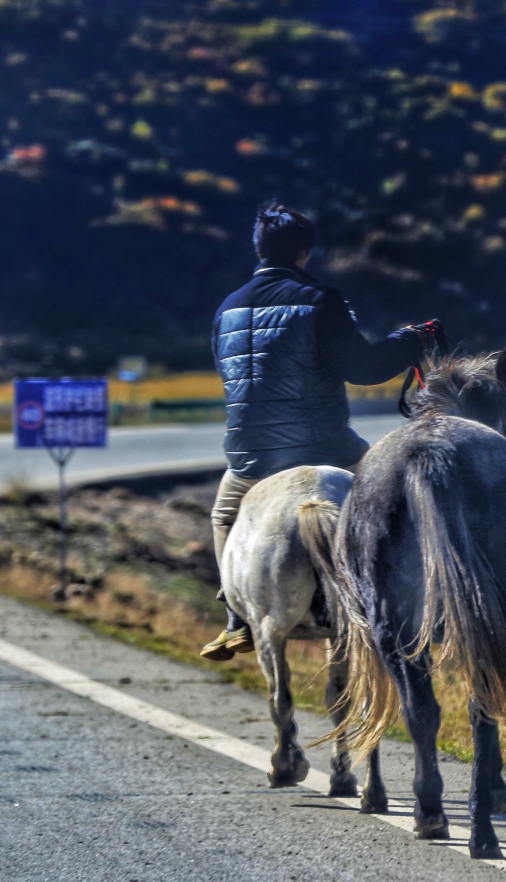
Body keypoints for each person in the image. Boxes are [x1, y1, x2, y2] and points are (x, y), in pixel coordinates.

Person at [200, 202, 436, 661]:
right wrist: (411, 340)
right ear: (305, 252)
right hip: (325, 449)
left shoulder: (225, 310)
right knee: (395, 499)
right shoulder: (320, 300)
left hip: (251, 456)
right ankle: (408, 604)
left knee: (224, 515)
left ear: (259, 248)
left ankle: (235, 618)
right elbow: (364, 369)